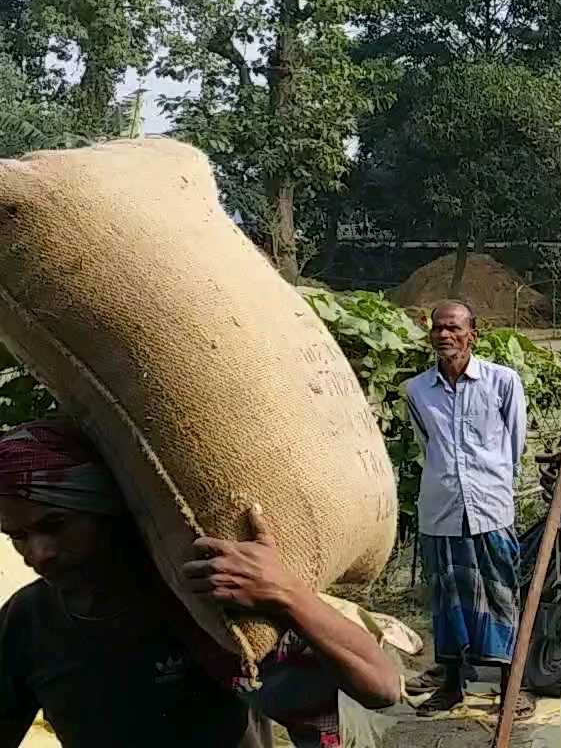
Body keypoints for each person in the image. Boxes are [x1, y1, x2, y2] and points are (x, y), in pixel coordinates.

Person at [0, 418, 402, 747]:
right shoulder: (28, 619)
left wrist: (284, 591)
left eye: (55, 525)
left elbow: (380, 686)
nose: (37, 553)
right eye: (17, 536)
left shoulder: (201, 593)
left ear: (103, 507)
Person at [404, 299, 530, 717]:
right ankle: (452, 686)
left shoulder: (503, 382)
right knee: (447, 602)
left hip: (490, 508)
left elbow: (513, 446)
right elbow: (429, 447)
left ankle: (511, 689)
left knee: (501, 595)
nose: (444, 335)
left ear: (472, 334)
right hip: (441, 510)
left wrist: (489, 483)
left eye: (454, 328)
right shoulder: (417, 391)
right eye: (438, 328)